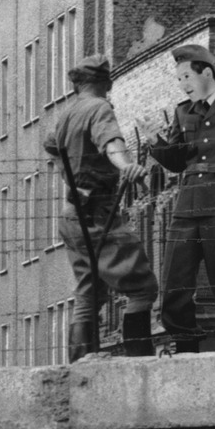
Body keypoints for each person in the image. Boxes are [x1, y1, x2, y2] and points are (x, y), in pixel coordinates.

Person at [43, 55, 158, 361]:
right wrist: (127, 166)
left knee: (88, 293)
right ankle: (140, 365)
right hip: (97, 214)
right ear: (105, 82)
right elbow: (111, 143)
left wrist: (70, 173)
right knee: (142, 288)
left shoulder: (67, 114)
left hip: (73, 213)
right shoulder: (99, 107)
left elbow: (51, 145)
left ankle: (81, 367)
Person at [148, 44, 215, 353]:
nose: (182, 85)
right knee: (175, 280)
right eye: (179, 79)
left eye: (186, 77)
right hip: (188, 204)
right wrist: (155, 141)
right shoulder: (183, 111)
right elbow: (177, 162)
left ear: (207, 73)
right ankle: (184, 343)